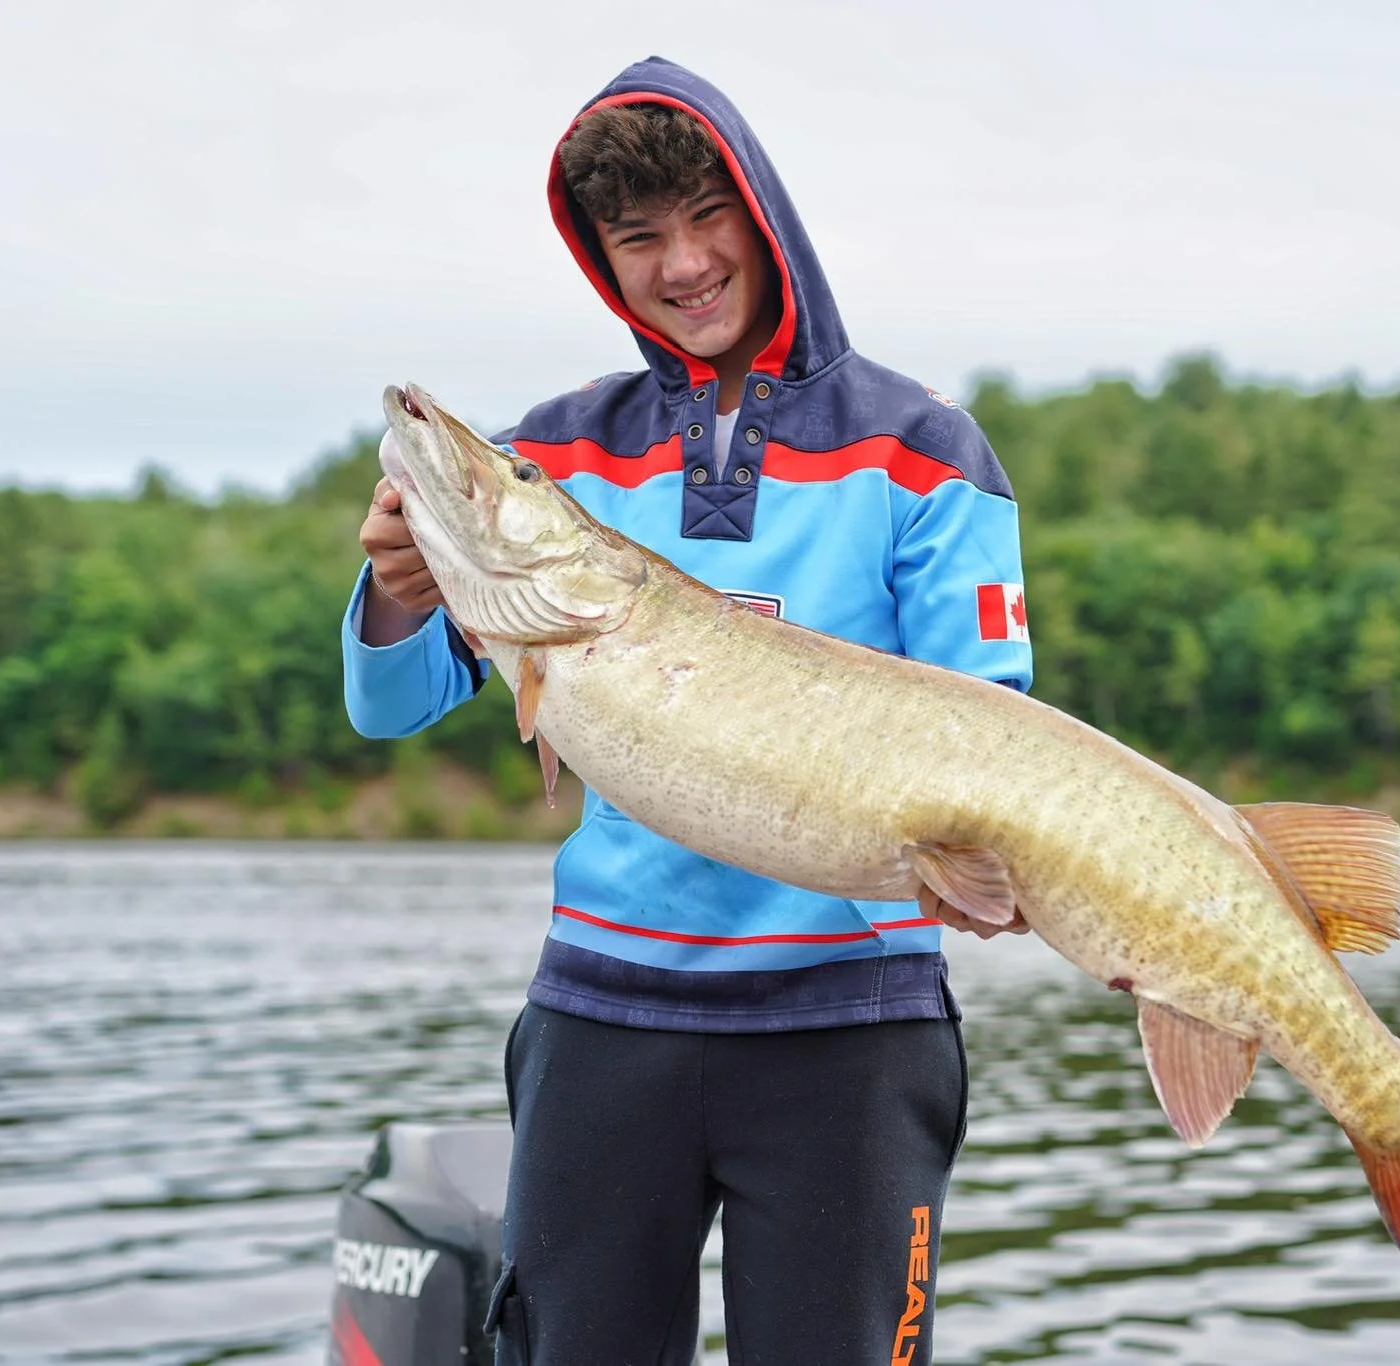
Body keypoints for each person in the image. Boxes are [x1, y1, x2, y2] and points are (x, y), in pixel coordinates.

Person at [342, 55, 1033, 1366]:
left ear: (763, 214)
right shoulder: (554, 453)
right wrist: (392, 583)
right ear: (604, 260)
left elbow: (987, 730)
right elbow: (390, 703)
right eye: (639, 236)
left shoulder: (927, 450)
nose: (685, 262)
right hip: (604, 1026)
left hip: (853, 1032)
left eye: (709, 217)